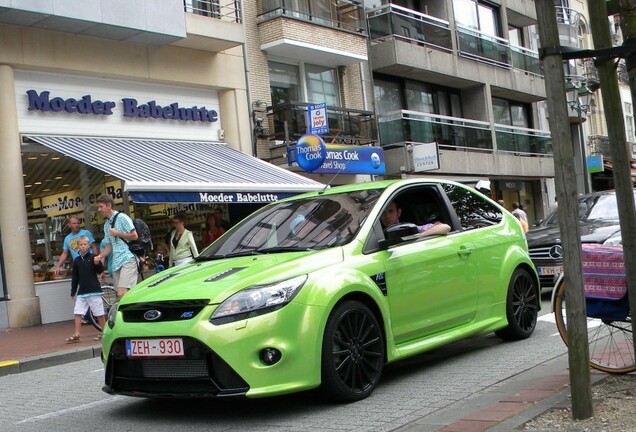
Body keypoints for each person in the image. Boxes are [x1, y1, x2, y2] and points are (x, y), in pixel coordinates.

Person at [54, 215, 99, 325]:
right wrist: (58, 265)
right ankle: (90, 315)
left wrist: (97, 257)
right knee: (83, 288)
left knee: (91, 288)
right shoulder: (67, 238)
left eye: (78, 223)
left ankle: (92, 315)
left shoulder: (86, 233)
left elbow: (93, 246)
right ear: (69, 225)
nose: (76, 225)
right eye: (74, 223)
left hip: (90, 263)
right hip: (78, 265)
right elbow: (65, 253)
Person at [93, 195, 139, 300]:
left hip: (127, 258)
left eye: (101, 206)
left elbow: (134, 236)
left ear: (109, 205)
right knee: (120, 295)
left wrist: (118, 233)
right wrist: (100, 256)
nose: (99, 210)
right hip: (116, 262)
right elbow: (109, 246)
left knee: (122, 293)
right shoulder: (106, 225)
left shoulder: (122, 217)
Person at [66, 236, 104, 343]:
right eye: (81, 245)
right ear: (78, 246)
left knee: (99, 312)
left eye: (85, 244)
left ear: (88, 245)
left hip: (94, 290)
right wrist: (73, 291)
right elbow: (75, 277)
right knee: (77, 312)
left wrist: (97, 263)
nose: (83, 246)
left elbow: (100, 269)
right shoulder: (77, 261)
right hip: (82, 292)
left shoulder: (93, 257)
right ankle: (77, 333)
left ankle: (104, 331)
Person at [381, 201, 451, 236]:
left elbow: (445, 227)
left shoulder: (410, 228)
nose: (387, 216)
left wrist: (419, 236)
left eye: (391, 211)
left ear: (399, 212)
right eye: (383, 213)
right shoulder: (376, 235)